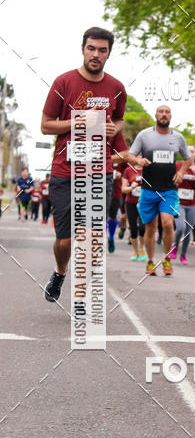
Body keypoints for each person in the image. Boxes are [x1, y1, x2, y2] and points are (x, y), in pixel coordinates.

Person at [40, 27, 127, 303]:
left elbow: (120, 120)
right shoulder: (63, 83)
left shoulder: (116, 88)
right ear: (82, 49)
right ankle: (60, 271)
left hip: (99, 172)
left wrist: (114, 129)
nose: (96, 54)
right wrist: (77, 122)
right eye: (91, 48)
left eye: (102, 50)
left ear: (109, 54)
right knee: (65, 241)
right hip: (65, 172)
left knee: (91, 237)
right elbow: (45, 126)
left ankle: (81, 296)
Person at [129, 105, 192, 276]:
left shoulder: (178, 137)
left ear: (171, 116)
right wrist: (138, 161)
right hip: (148, 189)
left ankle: (166, 259)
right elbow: (130, 155)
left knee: (167, 223)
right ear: (156, 115)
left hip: (169, 190)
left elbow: (188, 159)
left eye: (167, 112)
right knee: (150, 227)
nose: (164, 115)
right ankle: (150, 261)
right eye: (161, 112)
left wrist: (181, 172)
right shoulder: (144, 135)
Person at [171, 144, 195, 264]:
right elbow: (171, 182)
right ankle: (174, 246)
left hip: (193, 204)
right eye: (188, 151)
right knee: (180, 228)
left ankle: (183, 255)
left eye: (192, 151)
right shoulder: (178, 165)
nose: (190, 153)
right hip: (178, 203)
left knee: (188, 231)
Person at [121, 162, 146, 261]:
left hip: (144, 203)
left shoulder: (148, 169)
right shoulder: (128, 170)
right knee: (133, 228)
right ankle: (135, 251)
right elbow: (123, 189)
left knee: (143, 228)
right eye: (137, 154)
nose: (139, 157)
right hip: (131, 202)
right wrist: (132, 187)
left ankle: (142, 249)